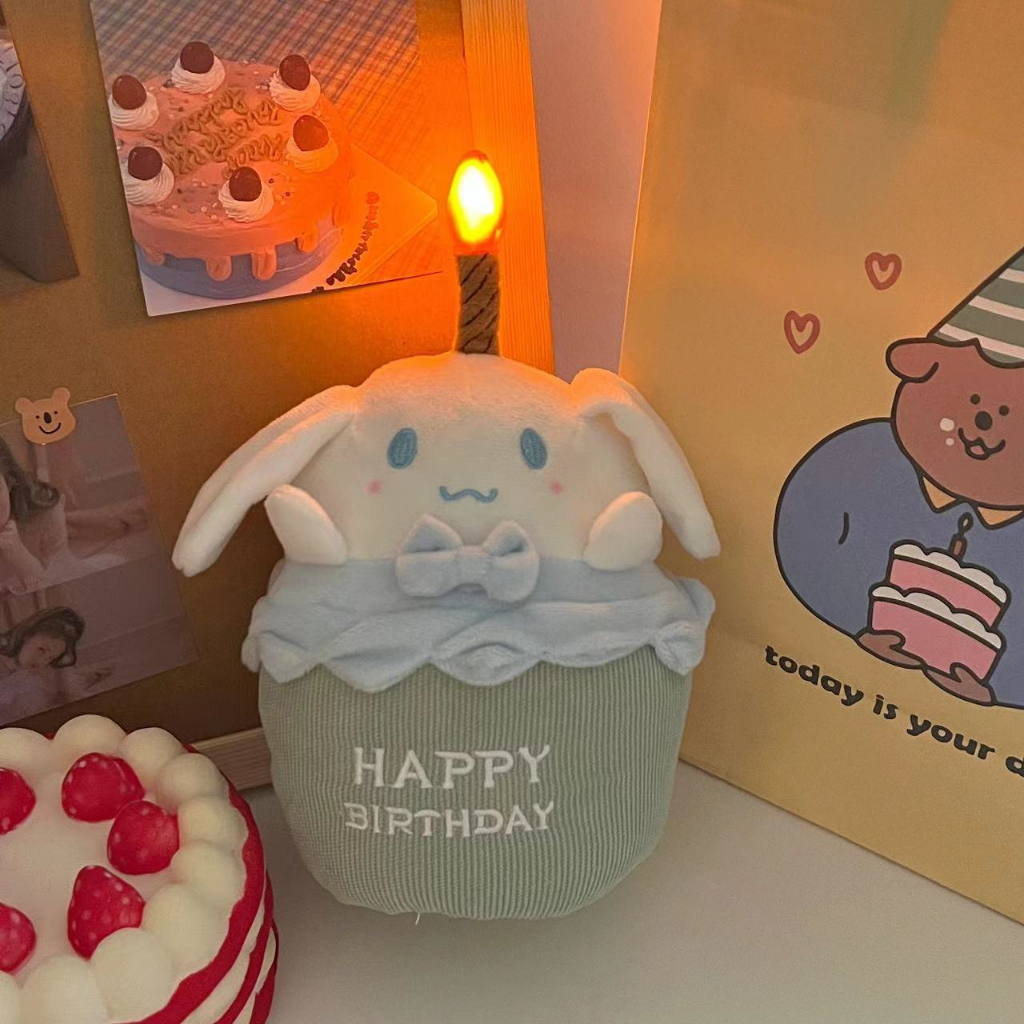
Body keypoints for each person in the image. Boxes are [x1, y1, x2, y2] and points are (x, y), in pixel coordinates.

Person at [0, 606, 85, 723]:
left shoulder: (45, 673)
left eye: (50, 657)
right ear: (27, 636)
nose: (41, 660)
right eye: (41, 649)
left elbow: (70, 693)